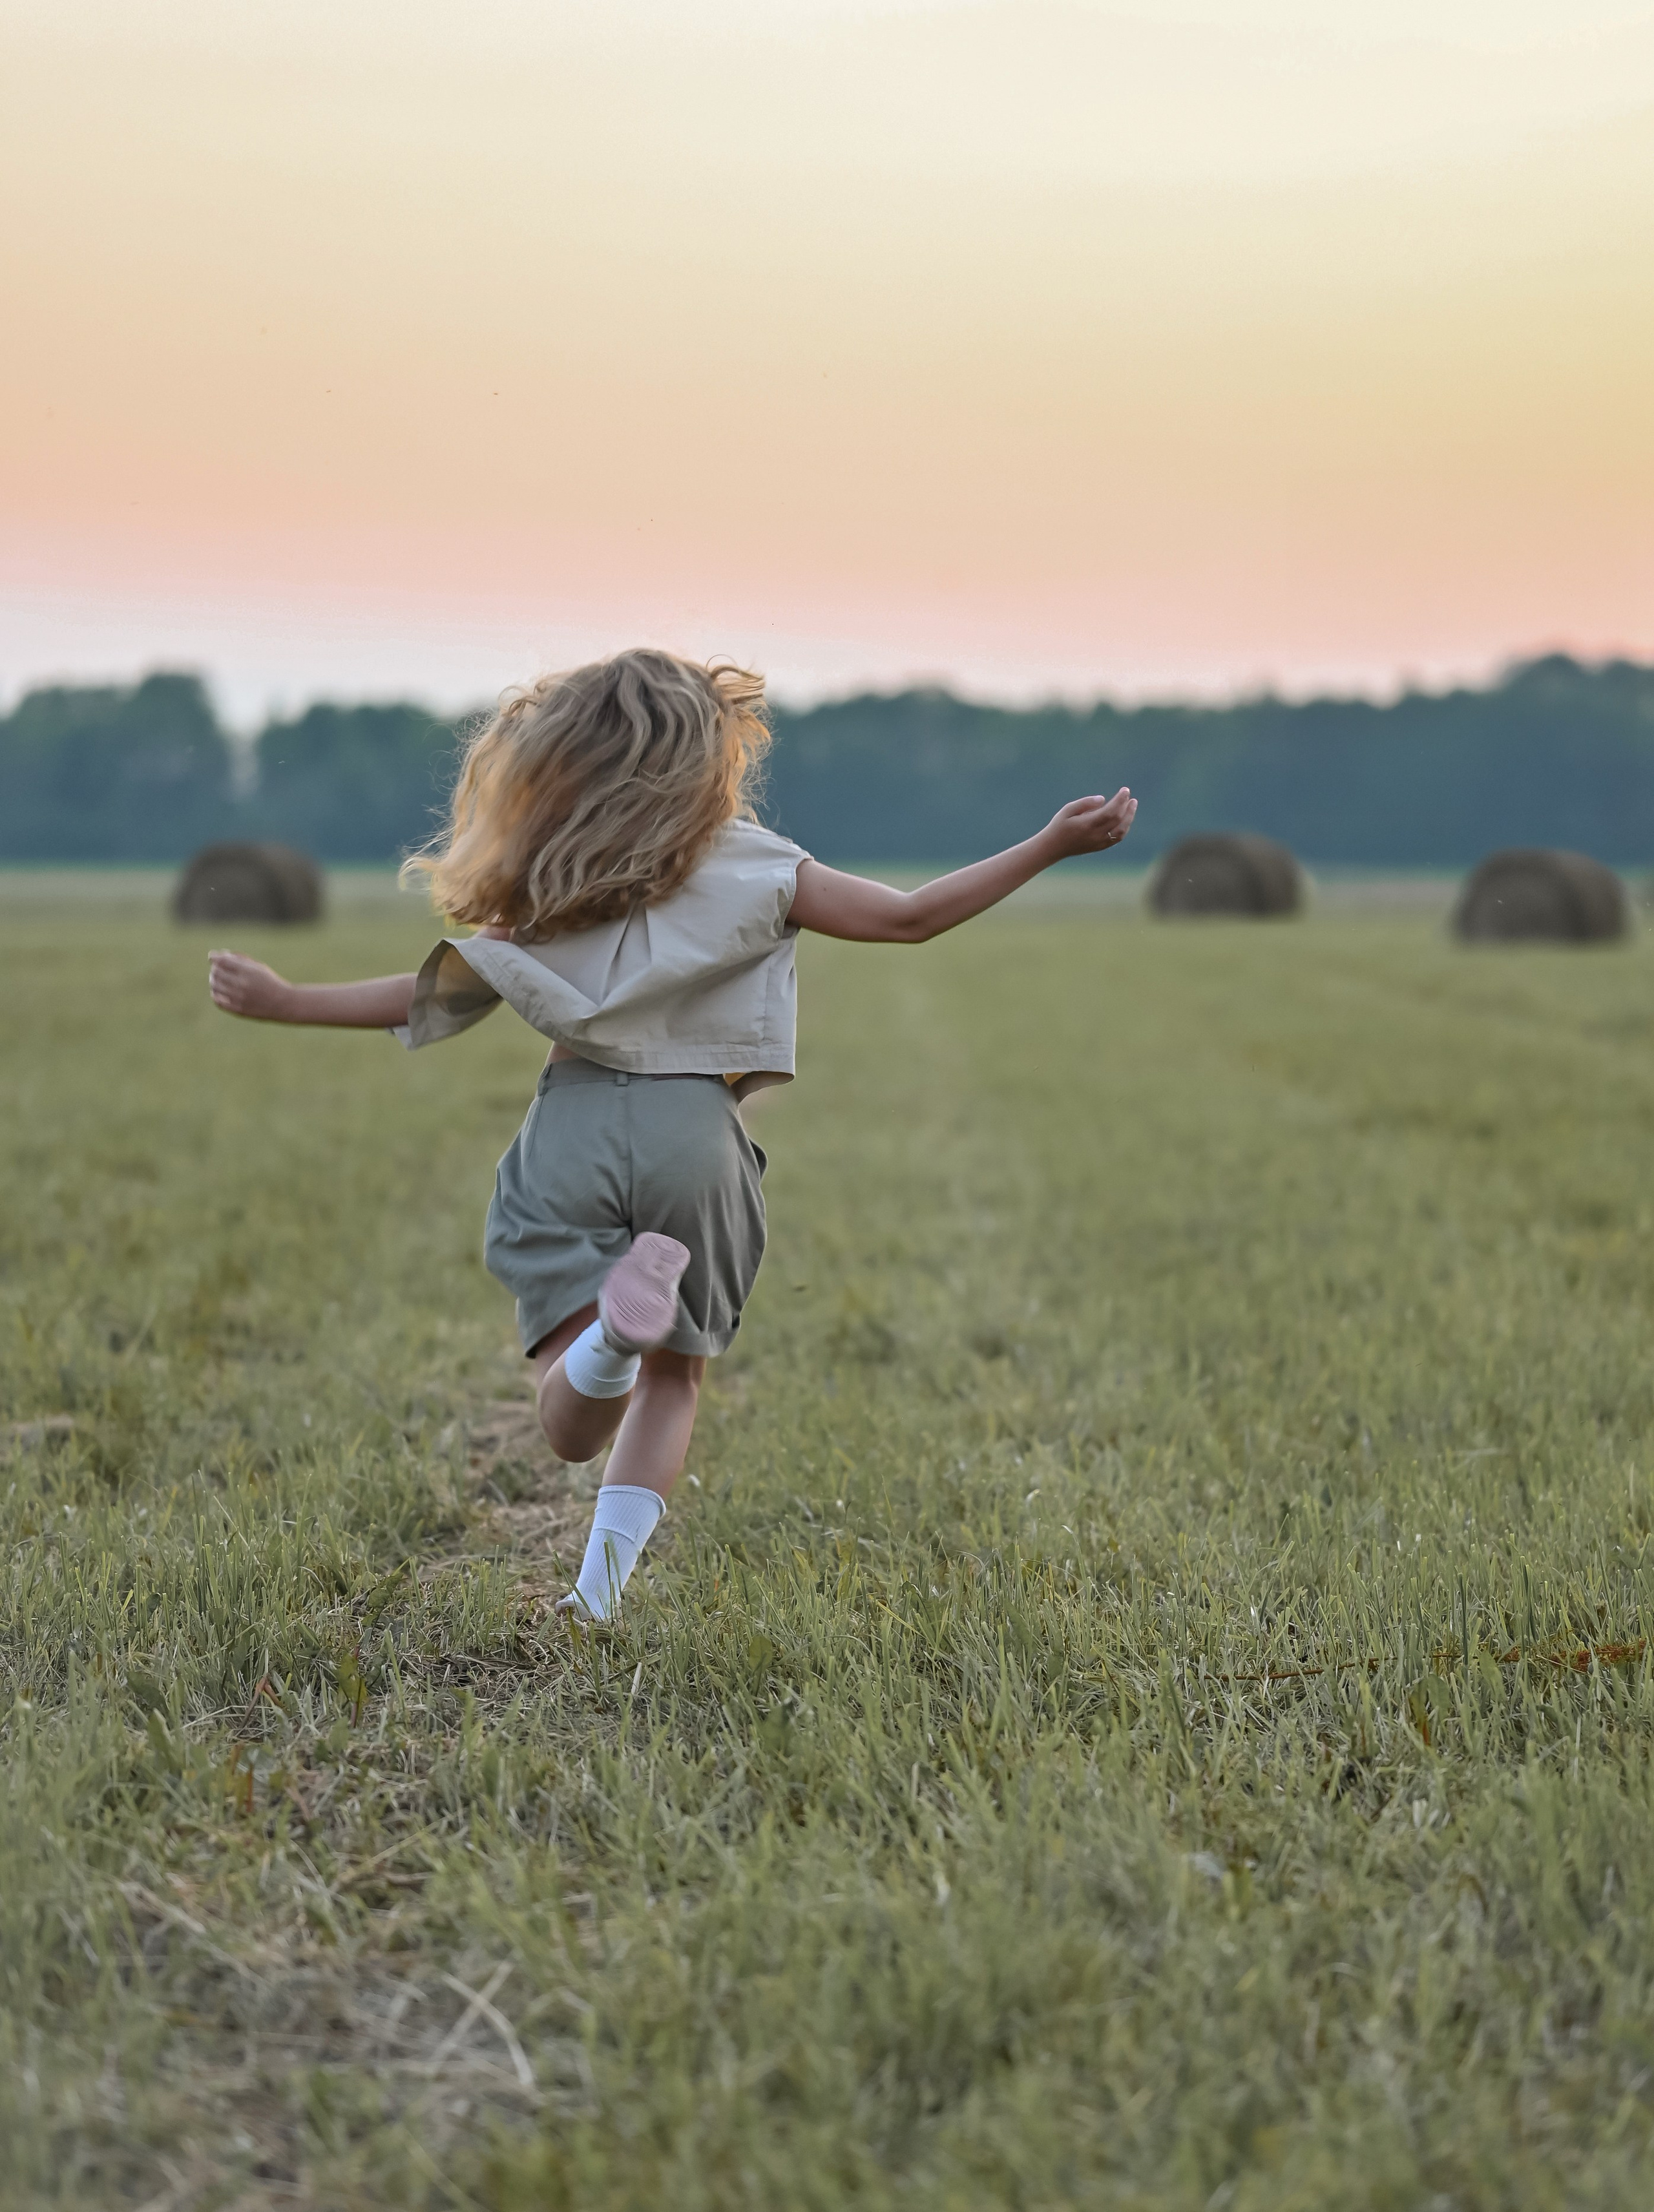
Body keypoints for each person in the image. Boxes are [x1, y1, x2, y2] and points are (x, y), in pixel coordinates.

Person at [208, 650, 1136, 1619]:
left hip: (572, 1124)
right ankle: (598, 1595)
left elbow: (428, 995)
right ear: (711, 758)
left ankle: (609, 1332)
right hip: (695, 1133)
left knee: (570, 1422)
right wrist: (1047, 845)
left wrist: (285, 1000)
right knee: (676, 1378)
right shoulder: (758, 862)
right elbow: (909, 919)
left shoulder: (548, 872)